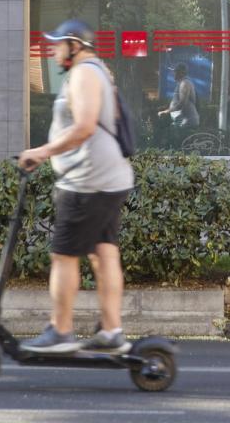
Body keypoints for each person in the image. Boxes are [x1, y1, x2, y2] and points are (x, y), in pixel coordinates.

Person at [17, 19, 135, 354]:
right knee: (103, 252)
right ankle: (111, 331)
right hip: (109, 177)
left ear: (75, 46)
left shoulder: (84, 73)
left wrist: (41, 152)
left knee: (63, 255)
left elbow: (84, 127)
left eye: (58, 44)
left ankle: (61, 331)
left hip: (87, 179)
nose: (53, 50)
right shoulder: (98, 71)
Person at [158, 62, 200, 128]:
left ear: (181, 73)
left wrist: (165, 112)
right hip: (181, 121)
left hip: (186, 121)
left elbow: (182, 103)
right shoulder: (182, 83)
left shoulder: (184, 83)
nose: (173, 74)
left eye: (175, 72)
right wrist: (166, 107)